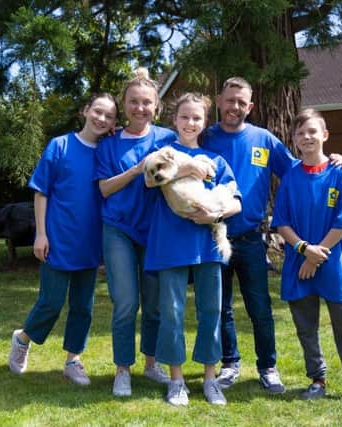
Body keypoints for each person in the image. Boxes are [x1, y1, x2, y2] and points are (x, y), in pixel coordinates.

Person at [198, 77, 342, 393]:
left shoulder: (263, 140)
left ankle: (268, 367)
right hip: (212, 236)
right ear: (220, 101)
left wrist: (333, 160)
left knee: (260, 308)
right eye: (230, 100)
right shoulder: (205, 137)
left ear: (249, 107)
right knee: (220, 307)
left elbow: (299, 169)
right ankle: (229, 364)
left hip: (252, 237)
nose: (235, 107)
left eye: (242, 102)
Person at [95, 69, 210, 396]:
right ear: (124, 104)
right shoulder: (109, 145)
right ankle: (122, 370)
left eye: (147, 102)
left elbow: (196, 148)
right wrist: (136, 169)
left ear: (156, 107)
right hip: (118, 229)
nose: (140, 108)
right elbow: (103, 189)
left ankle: (151, 364)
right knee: (126, 303)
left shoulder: (166, 139)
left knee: (156, 304)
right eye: (134, 102)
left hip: (158, 232)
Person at [272, 109, 342, 408]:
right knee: (306, 326)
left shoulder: (339, 173)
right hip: (299, 260)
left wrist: (316, 256)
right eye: (300, 133)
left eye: (312, 131)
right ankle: (317, 379)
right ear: (293, 139)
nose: (306, 137)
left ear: (325, 135)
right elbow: (281, 222)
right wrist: (304, 249)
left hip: (333, 262)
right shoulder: (290, 177)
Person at [8, 93, 118, 386]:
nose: (101, 119)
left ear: (114, 123)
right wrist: (41, 234)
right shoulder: (60, 145)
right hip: (57, 238)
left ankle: (73, 360)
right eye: (98, 111)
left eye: (109, 116)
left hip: (91, 243)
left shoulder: (109, 151)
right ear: (85, 110)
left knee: (83, 306)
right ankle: (22, 338)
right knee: (51, 302)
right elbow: (41, 191)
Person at [144, 93, 242, 406]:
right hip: (170, 243)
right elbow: (150, 179)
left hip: (208, 244)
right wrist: (187, 169)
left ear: (204, 123)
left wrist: (214, 214)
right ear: (174, 120)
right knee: (171, 313)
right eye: (184, 117)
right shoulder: (163, 154)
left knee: (211, 311)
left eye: (196, 118)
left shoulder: (217, 161)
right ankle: (176, 381)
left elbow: (236, 203)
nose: (190, 123)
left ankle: (211, 379)